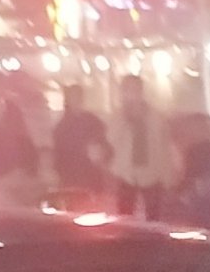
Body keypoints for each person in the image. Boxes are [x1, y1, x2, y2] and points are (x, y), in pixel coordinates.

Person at [105, 75, 173, 219]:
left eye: (135, 89)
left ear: (141, 91)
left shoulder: (155, 116)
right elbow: (110, 141)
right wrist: (125, 118)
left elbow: (164, 145)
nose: (131, 94)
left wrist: (167, 174)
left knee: (154, 219)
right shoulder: (117, 117)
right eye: (127, 89)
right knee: (125, 218)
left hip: (152, 173)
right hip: (125, 174)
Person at [50, 82, 111, 210]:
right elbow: (59, 158)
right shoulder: (61, 128)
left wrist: (102, 155)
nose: (76, 101)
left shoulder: (94, 122)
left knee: (94, 213)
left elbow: (106, 147)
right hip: (72, 180)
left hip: (92, 179)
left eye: (78, 97)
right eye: (73, 97)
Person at [170, 118, 210, 231]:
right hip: (205, 198)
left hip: (205, 198)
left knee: (202, 225)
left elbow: (189, 174)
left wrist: (182, 189)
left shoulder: (204, 151)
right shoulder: (203, 150)